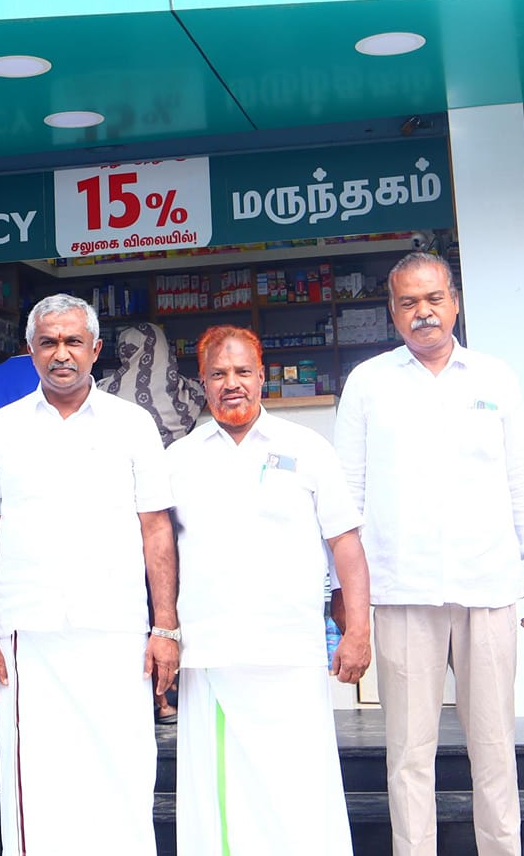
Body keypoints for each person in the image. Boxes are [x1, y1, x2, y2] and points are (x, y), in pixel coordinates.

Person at [333, 251, 524, 856]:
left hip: (488, 585)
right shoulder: (368, 383)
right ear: (393, 312)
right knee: (408, 752)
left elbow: (523, 483)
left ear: (455, 303)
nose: (423, 313)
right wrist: (346, 591)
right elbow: (346, 496)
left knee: (495, 746)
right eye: (408, 302)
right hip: (401, 590)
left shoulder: (494, 378)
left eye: (434, 299)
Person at [0, 293, 178, 856]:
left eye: (73, 341)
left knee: (124, 769)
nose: (61, 354)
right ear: (30, 350)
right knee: (37, 780)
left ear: (96, 349)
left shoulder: (133, 425)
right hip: (27, 634)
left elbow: (156, 528)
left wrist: (165, 627)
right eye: (49, 342)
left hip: (116, 628)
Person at [167, 325, 372, 856]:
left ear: (262, 377)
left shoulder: (307, 448)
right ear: (203, 382)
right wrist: (163, 632)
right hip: (213, 656)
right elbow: (159, 556)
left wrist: (358, 632)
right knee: (222, 799)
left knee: (299, 788)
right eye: (218, 373)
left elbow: (346, 544)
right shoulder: (179, 459)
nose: (231, 383)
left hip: (291, 651)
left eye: (242, 371)